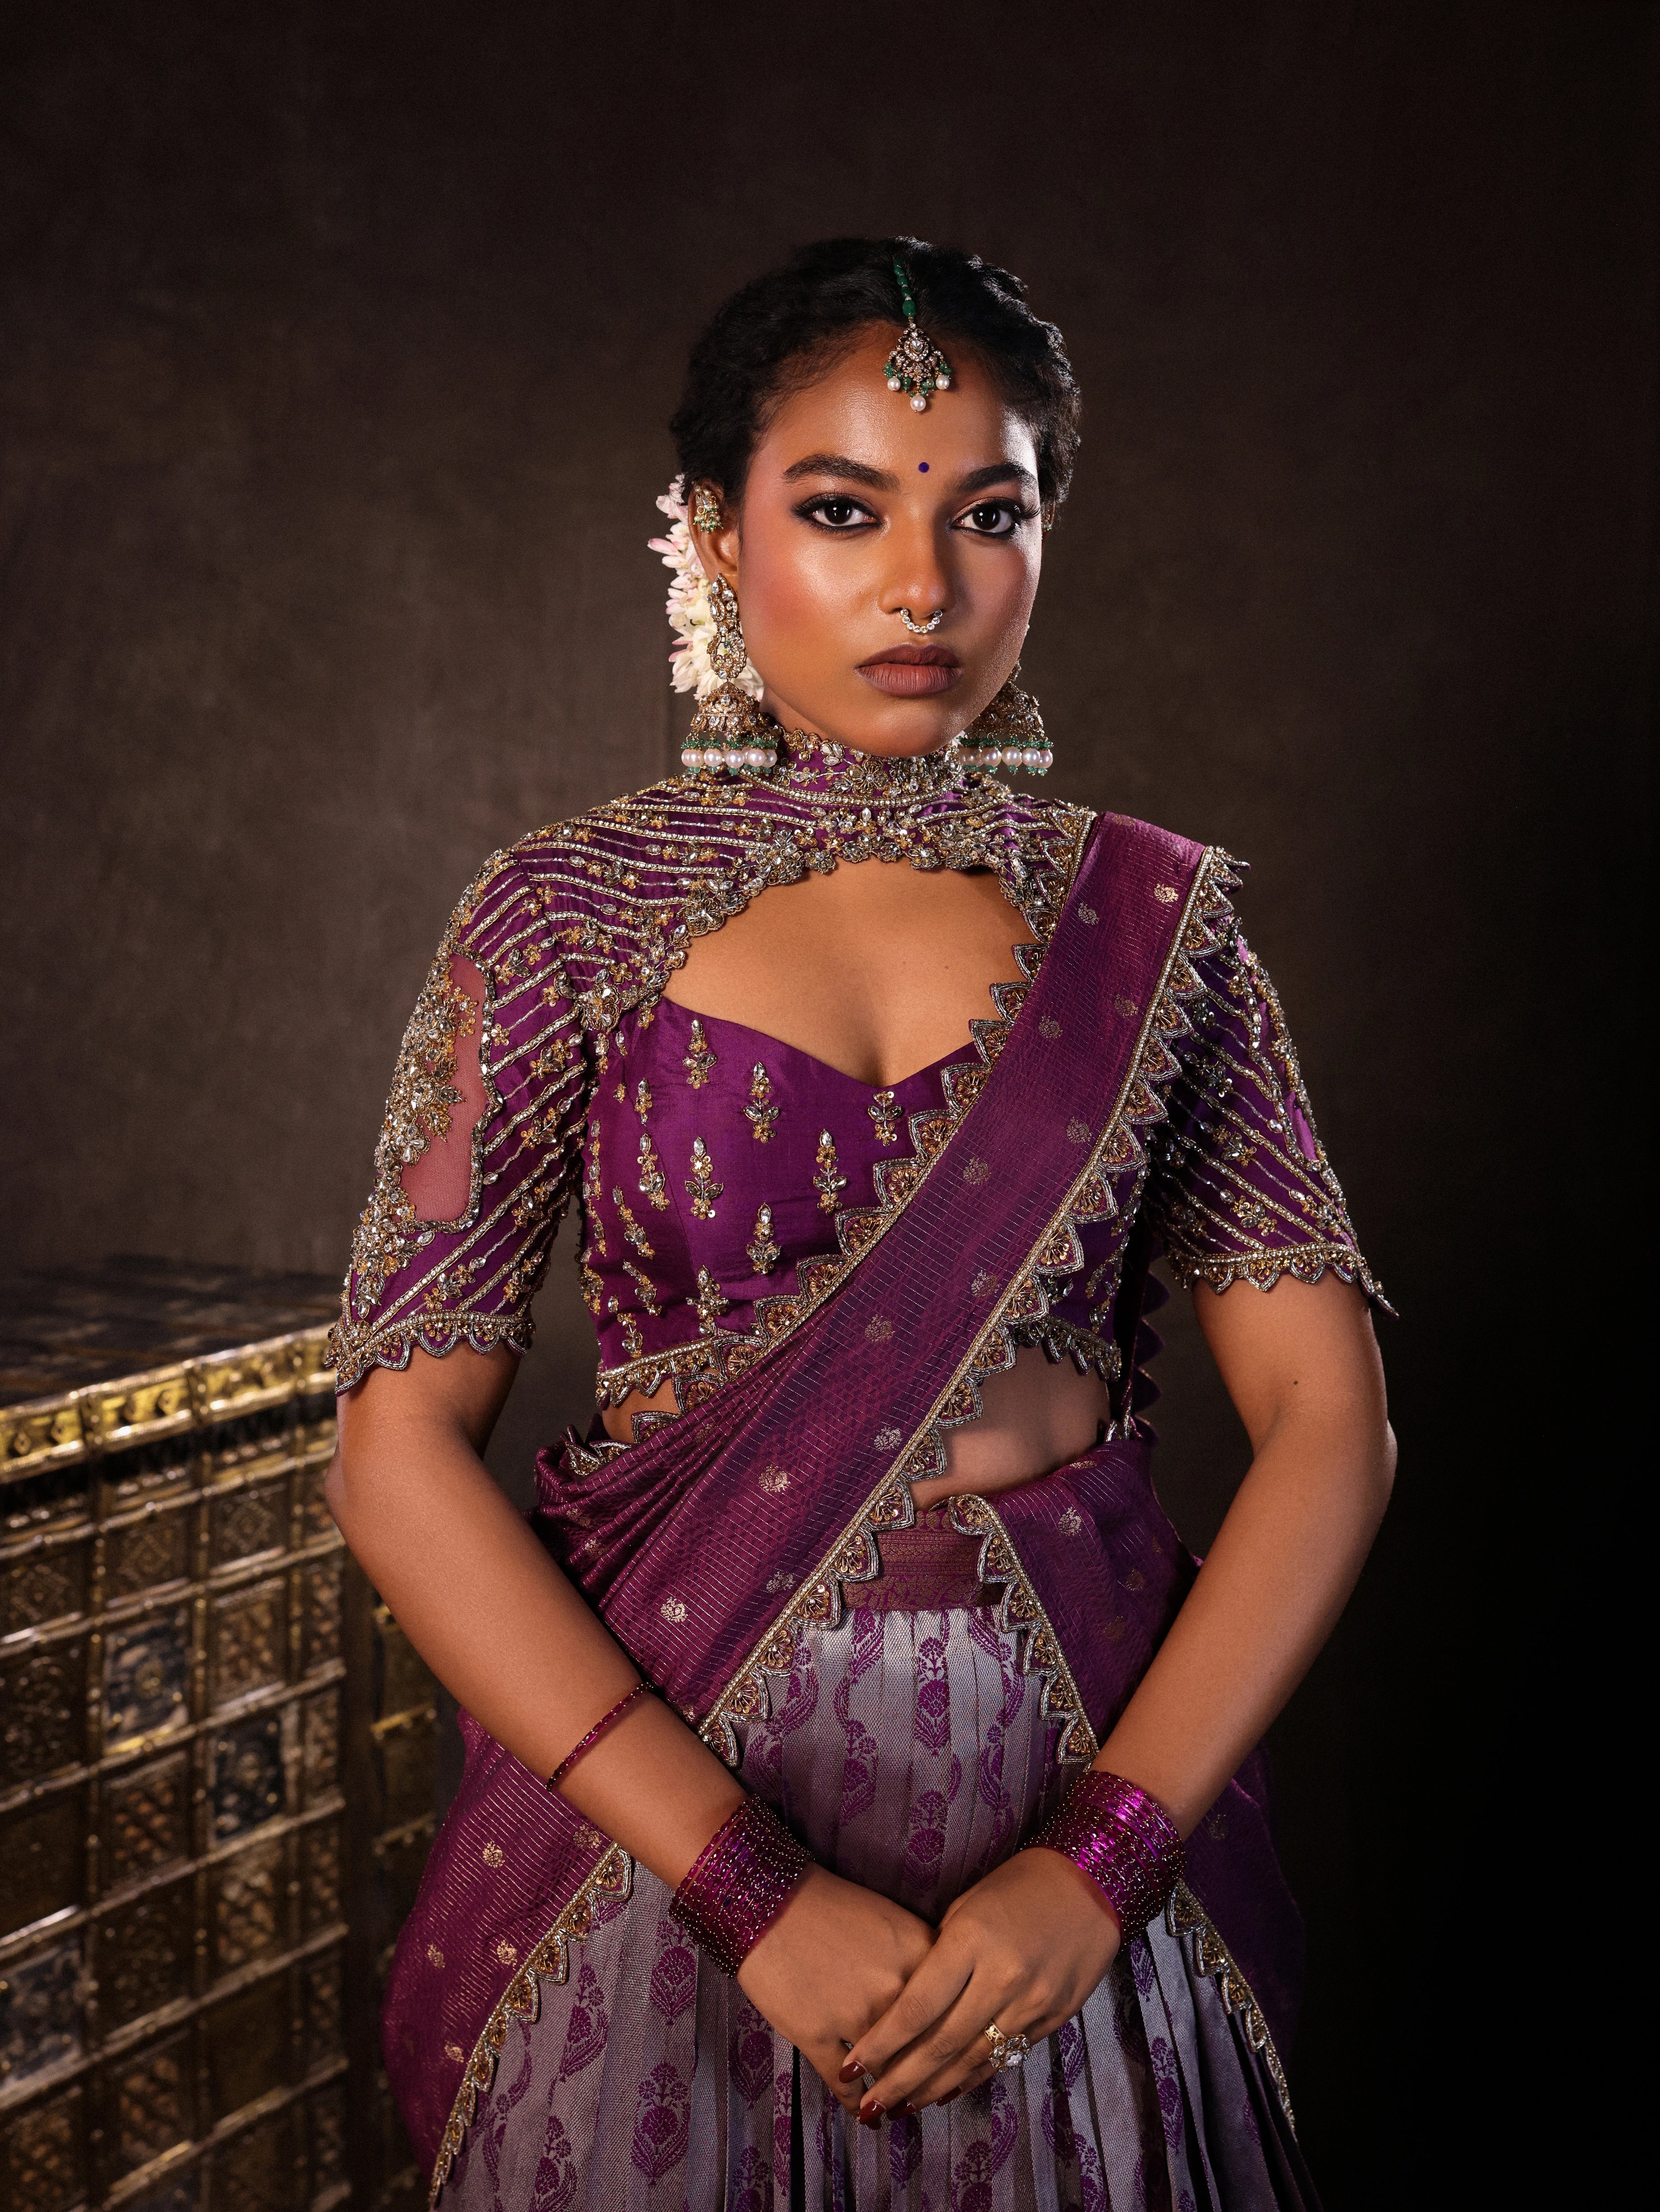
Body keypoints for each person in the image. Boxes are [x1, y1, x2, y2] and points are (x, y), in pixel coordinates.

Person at [326, 237, 1394, 2212]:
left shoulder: (1157, 923)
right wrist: (746, 1882)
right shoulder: (561, 914)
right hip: (674, 1789)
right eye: (842, 512)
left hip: (1069, 1753)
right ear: (716, 540)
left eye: (988, 515)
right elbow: (395, 1448)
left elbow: (1335, 1420)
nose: (924, 584)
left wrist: (1106, 1860)